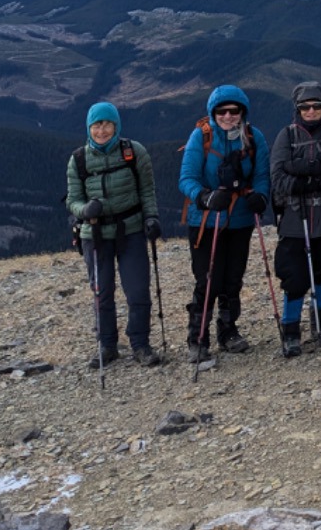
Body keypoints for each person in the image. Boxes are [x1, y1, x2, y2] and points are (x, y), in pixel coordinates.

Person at [178, 85, 271, 360]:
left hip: (240, 219)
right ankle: (198, 337)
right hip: (206, 221)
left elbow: (262, 175)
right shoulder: (201, 136)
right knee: (208, 279)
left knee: (233, 278)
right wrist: (205, 197)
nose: (228, 116)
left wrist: (261, 196)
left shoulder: (254, 137)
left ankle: (228, 331)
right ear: (213, 112)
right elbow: (187, 178)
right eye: (221, 111)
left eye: (234, 110)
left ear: (243, 111)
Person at [66, 101, 162, 368]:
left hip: (130, 229)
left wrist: (151, 217)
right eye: (96, 125)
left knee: (138, 290)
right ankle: (107, 345)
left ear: (116, 126)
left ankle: (140, 344)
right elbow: (72, 200)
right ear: (89, 128)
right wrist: (85, 210)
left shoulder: (134, 152)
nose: (102, 131)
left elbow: (147, 191)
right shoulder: (79, 160)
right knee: (102, 291)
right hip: (95, 233)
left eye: (107, 124)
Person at [269, 81, 321, 356]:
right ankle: (291, 329)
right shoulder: (287, 135)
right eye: (304, 107)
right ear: (297, 109)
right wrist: (313, 178)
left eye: (316, 106)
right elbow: (277, 176)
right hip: (296, 217)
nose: (310, 111)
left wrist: (306, 170)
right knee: (294, 275)